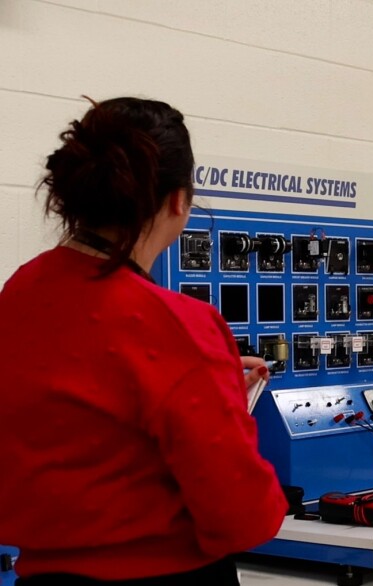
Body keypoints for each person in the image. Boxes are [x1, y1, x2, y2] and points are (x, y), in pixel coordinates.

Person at [0, 97, 288, 584]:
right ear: (179, 200)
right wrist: (223, 408)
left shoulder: (19, 294)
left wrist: (203, 387)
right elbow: (244, 517)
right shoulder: (179, 326)